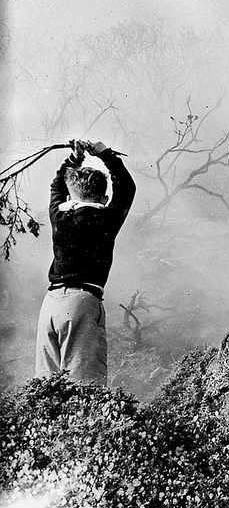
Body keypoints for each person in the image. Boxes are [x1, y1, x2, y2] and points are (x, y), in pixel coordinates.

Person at [36, 138, 136, 385]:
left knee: (46, 390)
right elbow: (126, 188)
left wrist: (74, 158)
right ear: (103, 198)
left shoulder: (59, 214)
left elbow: (56, 186)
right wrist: (104, 153)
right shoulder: (105, 218)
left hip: (49, 305)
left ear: (73, 191)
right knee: (85, 388)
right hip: (81, 303)